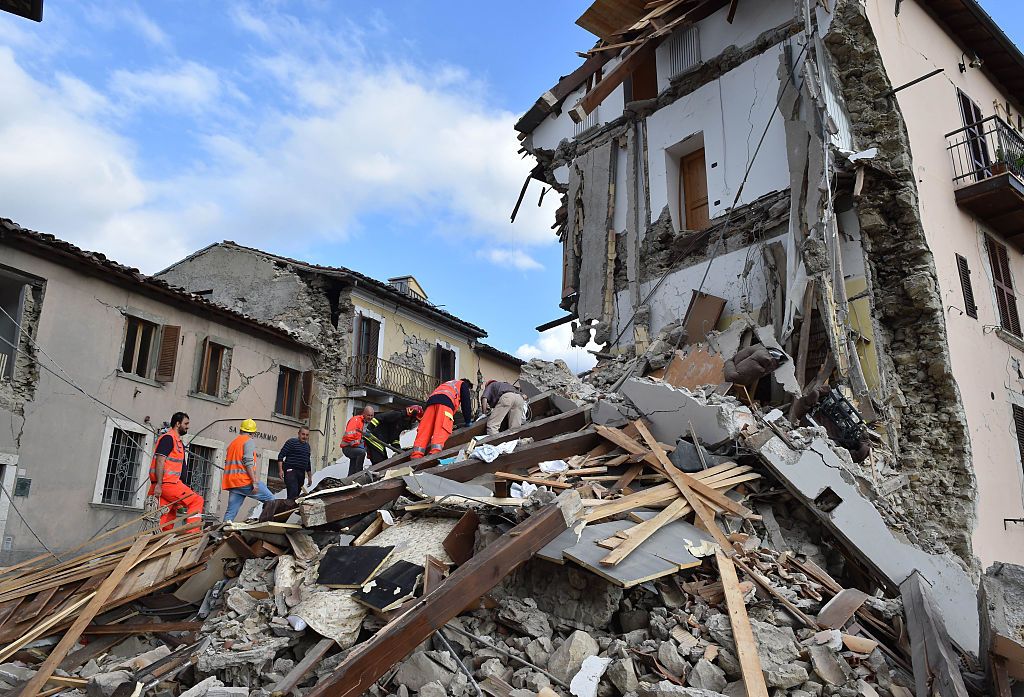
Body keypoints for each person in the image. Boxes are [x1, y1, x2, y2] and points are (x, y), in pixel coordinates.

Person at [149, 412, 204, 532]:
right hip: (168, 484)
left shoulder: (177, 441)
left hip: (168, 485)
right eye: (186, 423)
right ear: (177, 424)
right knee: (196, 500)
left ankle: (157, 544)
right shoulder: (168, 438)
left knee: (165, 519)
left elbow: (179, 466)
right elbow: (160, 461)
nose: (188, 426)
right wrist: (159, 484)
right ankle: (191, 534)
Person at [222, 419, 276, 522]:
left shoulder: (233, 443)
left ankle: (220, 535)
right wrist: (254, 482)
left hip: (233, 483)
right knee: (271, 500)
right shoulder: (248, 441)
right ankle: (264, 524)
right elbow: (248, 462)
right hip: (244, 481)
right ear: (252, 432)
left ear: (241, 430)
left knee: (230, 513)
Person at [411, 378, 473, 459]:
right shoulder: (463, 384)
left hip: (430, 404)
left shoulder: (447, 384)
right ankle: (434, 454)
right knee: (441, 428)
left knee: (425, 429)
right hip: (445, 404)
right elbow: (466, 404)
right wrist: (468, 420)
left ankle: (416, 455)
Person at [277, 426, 312, 499]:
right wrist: (280, 470)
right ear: (299, 434)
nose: (305, 436)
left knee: (296, 495)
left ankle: (289, 508)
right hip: (290, 471)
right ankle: (290, 508)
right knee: (293, 492)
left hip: (301, 473)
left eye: (307, 435)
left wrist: (309, 477)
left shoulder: (307, 447)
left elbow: (308, 462)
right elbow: (280, 456)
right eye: (303, 434)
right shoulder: (291, 442)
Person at [341, 406, 375, 476]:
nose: (370, 417)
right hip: (348, 447)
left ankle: (350, 478)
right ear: (364, 414)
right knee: (361, 453)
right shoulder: (355, 420)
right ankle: (359, 474)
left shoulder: (368, 424)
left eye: (372, 415)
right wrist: (357, 443)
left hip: (357, 447)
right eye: (368, 415)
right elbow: (349, 436)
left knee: (353, 464)